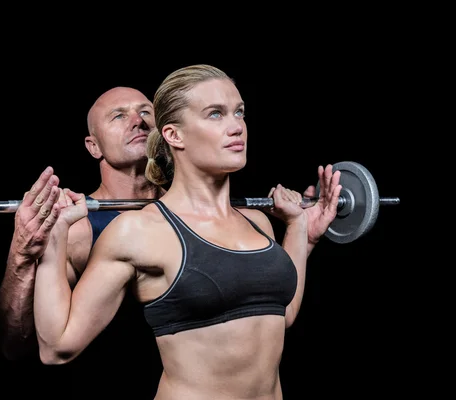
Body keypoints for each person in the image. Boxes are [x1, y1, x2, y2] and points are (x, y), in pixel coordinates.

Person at [32, 64, 342, 399]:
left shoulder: (258, 222)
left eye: (239, 112)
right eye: (215, 114)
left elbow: (282, 314)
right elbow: (57, 346)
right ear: (173, 135)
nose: (236, 126)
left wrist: (300, 230)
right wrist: (55, 234)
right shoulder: (139, 230)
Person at [0, 86, 166, 396]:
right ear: (93, 146)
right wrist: (21, 254)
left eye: (145, 112)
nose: (138, 122)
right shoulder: (75, 229)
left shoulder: (195, 214)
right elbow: (15, 345)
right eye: (119, 116)